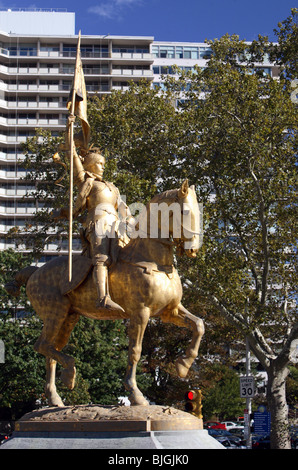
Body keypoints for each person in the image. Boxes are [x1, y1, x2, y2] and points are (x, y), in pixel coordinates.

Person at [55, 117, 134, 313]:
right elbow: (73, 155)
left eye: (103, 163)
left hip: (116, 226)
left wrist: (132, 219)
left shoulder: (111, 186)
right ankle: (102, 297)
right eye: (99, 163)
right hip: (97, 223)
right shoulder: (86, 181)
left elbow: (123, 207)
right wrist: (69, 128)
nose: (103, 166)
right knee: (101, 257)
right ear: (90, 165)